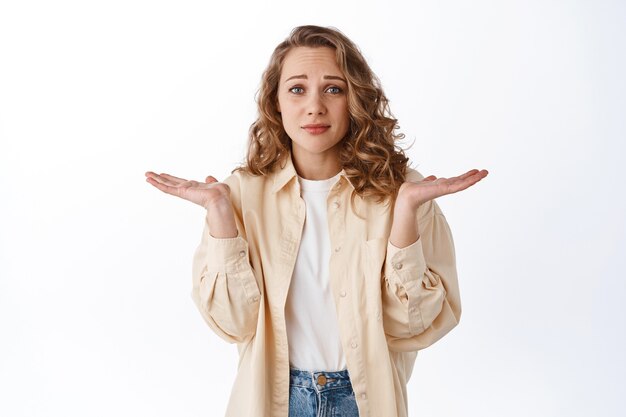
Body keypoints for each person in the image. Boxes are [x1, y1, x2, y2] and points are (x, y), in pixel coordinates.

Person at [145, 25, 488, 417]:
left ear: (355, 99)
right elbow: (233, 324)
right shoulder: (238, 195)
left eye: (333, 89)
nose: (314, 107)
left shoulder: (406, 194)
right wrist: (221, 216)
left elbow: (412, 328)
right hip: (273, 401)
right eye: (296, 89)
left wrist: (405, 216)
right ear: (275, 102)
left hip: (363, 402)